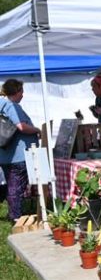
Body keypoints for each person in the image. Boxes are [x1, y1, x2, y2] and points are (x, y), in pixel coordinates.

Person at [0, 79, 41, 222]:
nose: (23, 95)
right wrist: (37, 130)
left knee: (12, 186)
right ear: (16, 92)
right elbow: (21, 127)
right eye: (21, 92)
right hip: (18, 155)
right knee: (16, 188)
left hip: (5, 155)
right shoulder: (11, 106)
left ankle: (15, 213)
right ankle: (16, 217)